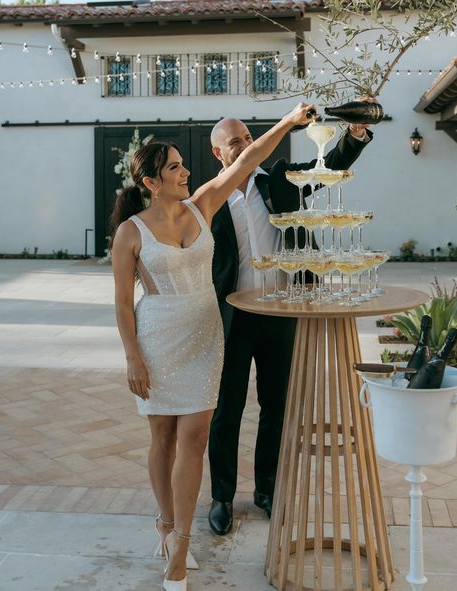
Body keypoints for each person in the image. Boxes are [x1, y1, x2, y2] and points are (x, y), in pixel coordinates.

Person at [110, 102, 317, 591]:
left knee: (196, 439)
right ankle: (165, 525)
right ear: (152, 182)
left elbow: (246, 161)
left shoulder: (202, 205)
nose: (187, 172)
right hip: (157, 340)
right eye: (176, 167)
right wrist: (132, 356)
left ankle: (181, 543)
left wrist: (288, 122)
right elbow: (121, 304)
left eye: (184, 164)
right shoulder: (129, 232)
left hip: (207, 335)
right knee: (162, 439)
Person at [207, 105, 375, 536]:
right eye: (236, 143)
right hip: (231, 317)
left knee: (277, 407)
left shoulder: (280, 180)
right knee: (226, 410)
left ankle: (267, 488)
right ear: (218, 155)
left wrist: (354, 135)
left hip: (281, 309)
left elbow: (328, 166)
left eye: (247, 138)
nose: (245, 146)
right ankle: (221, 497)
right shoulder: (212, 198)